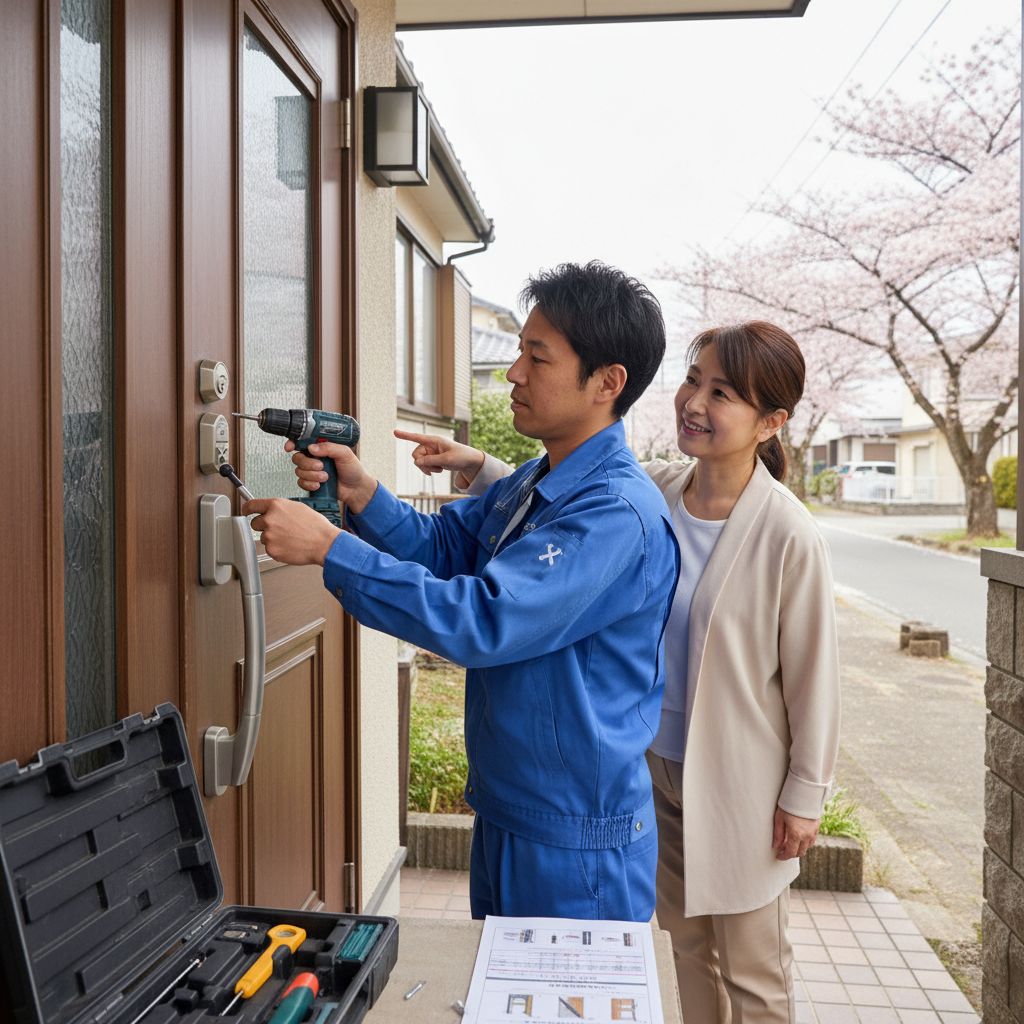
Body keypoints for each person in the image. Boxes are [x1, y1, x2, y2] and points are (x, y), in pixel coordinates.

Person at [411, 321, 840, 1024]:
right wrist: (481, 465)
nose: (694, 403)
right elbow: (568, 511)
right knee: (679, 950)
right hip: (644, 772)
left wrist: (805, 793)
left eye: (723, 393)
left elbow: (814, 673)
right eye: (694, 380)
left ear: (772, 421)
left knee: (755, 970)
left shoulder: (787, 532)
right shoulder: (658, 492)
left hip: (740, 785)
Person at [243, 261, 680, 922]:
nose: (513, 374)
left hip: (574, 842)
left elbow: (482, 619)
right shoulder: (539, 480)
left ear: (607, 383)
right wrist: (362, 492)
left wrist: (331, 546)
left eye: (538, 358)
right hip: (515, 811)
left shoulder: (614, 516)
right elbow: (448, 551)